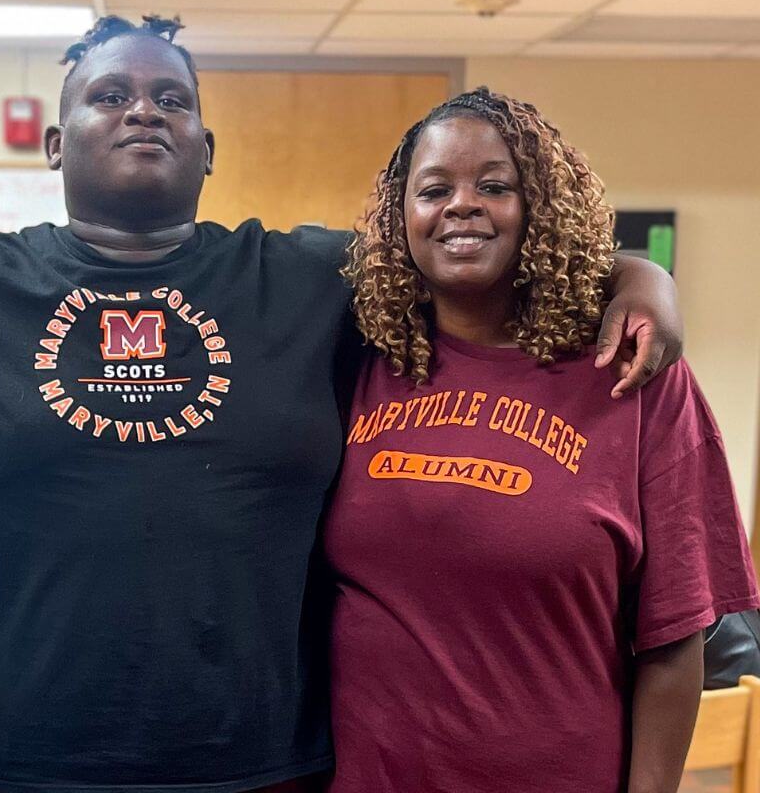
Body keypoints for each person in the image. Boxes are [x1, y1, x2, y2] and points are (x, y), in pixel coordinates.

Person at [0, 18, 689, 793]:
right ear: (55, 144)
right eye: (109, 95)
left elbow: (472, 240)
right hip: (23, 763)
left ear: (208, 149)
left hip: (263, 766)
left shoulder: (308, 277)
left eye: (172, 99)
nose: (143, 111)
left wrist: (639, 276)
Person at [325, 87, 758, 793]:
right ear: (398, 217)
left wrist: (645, 278)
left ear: (540, 210)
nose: (463, 204)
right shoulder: (358, 359)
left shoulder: (632, 374)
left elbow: (677, 636)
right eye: (434, 188)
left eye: (494, 185)